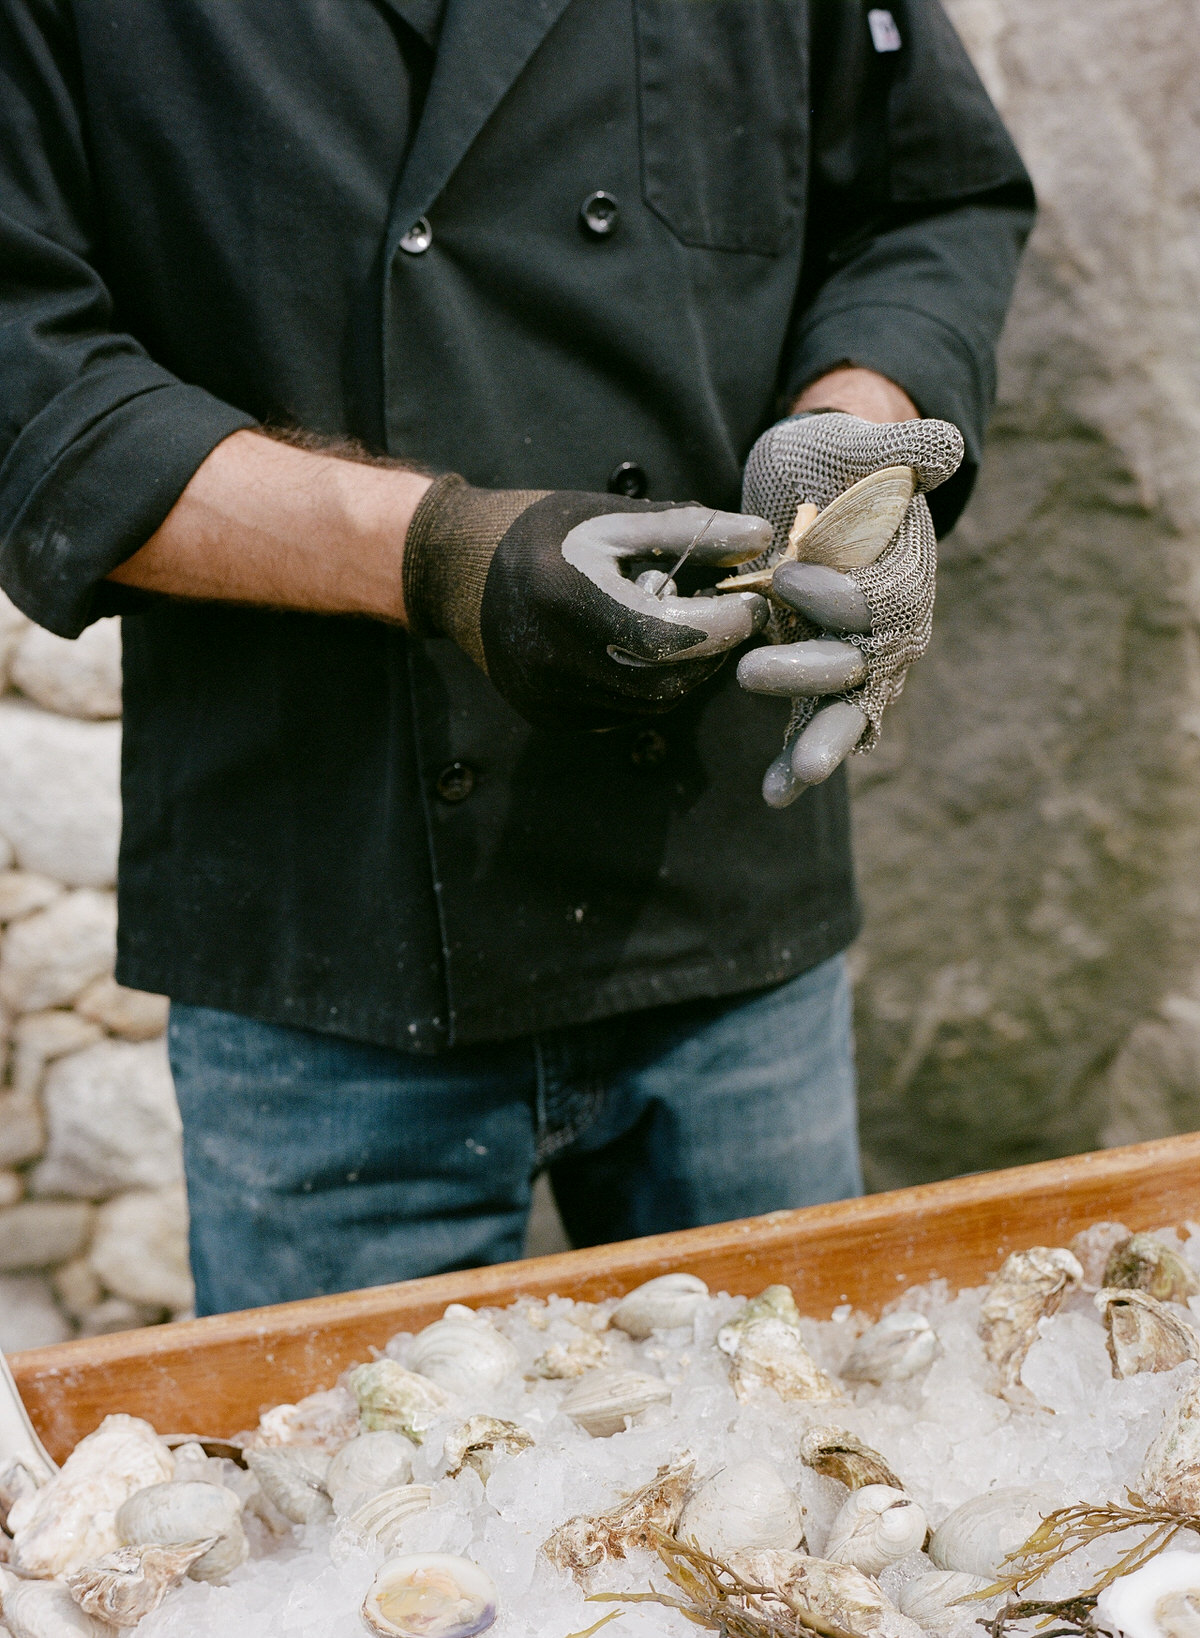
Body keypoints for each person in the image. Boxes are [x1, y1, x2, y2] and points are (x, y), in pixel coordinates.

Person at [0, 0, 1034, 1314]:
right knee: (367, 1511)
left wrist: (859, 429)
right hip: (327, 938)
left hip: (727, 905)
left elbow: (931, 201)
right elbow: (33, 386)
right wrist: (440, 553)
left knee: (799, 1473)